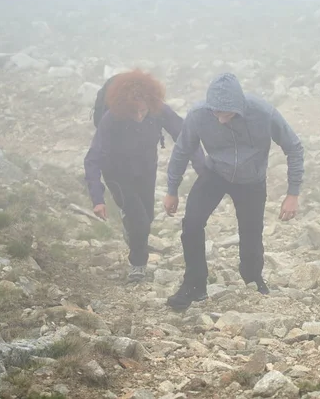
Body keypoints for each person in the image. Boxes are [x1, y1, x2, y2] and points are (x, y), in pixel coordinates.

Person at [163, 72, 304, 310]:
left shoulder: (263, 113)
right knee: (192, 224)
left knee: (251, 232)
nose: (219, 119)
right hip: (215, 173)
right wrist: (171, 189)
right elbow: (182, 150)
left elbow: (294, 147)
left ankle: (253, 279)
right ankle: (194, 284)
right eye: (215, 112)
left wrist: (293, 193)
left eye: (225, 113)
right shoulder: (198, 115)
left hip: (252, 179)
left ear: (239, 107)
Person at [84, 69, 205, 283]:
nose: (139, 116)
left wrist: (202, 168)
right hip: (117, 173)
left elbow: (185, 137)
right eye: (134, 112)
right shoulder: (111, 118)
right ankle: (138, 265)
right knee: (139, 221)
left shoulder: (159, 110)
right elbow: (93, 158)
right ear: (123, 107)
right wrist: (98, 198)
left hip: (146, 169)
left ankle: (132, 228)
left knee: (146, 218)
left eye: (143, 111)